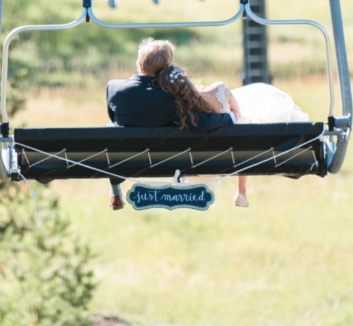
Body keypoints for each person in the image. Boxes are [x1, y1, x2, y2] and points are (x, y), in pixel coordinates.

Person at [154, 63, 310, 208]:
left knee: (240, 131)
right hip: (235, 150)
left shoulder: (175, 113)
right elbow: (238, 113)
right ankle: (241, 191)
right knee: (244, 123)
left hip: (202, 160)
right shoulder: (218, 90)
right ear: (186, 78)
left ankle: (241, 191)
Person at [104, 38, 232, 210]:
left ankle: (114, 187)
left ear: (138, 62)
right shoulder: (167, 98)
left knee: (110, 128)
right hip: (165, 160)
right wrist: (228, 117)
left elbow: (114, 118)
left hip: (127, 159)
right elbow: (201, 124)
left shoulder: (113, 88)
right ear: (166, 69)